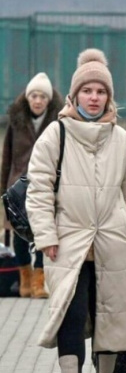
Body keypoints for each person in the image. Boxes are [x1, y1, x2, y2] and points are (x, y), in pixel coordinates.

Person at [26, 49, 126, 373]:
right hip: (68, 242)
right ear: (74, 95)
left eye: (100, 91)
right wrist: (46, 234)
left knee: (110, 311)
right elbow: (38, 189)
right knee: (71, 312)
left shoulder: (121, 140)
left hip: (114, 242)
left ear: (108, 97)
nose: (94, 97)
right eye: (87, 91)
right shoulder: (56, 134)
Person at [1, 72, 63, 298]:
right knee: (19, 234)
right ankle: (24, 279)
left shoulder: (58, 122)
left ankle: (39, 280)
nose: (38, 101)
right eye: (34, 96)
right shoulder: (16, 121)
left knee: (43, 232)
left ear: (49, 100)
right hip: (17, 187)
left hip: (45, 185)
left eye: (42, 97)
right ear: (27, 98)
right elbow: (6, 156)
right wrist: (2, 191)